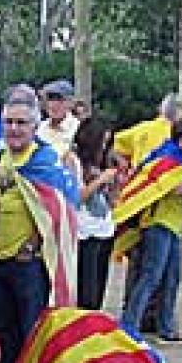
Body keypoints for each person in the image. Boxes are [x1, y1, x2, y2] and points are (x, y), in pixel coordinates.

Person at [0, 86, 79, 363]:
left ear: (34, 126)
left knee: (29, 330)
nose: (14, 129)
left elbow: (60, 208)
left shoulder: (43, 161)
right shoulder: (0, 157)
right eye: (9, 122)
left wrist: (33, 244)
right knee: (4, 329)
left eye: (21, 123)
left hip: (27, 263)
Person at [115, 116, 182, 343]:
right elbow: (168, 185)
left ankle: (165, 327)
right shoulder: (167, 156)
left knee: (171, 278)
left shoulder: (179, 158)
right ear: (180, 136)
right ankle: (129, 325)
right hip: (158, 223)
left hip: (172, 223)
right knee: (151, 277)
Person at [72, 117, 117, 311]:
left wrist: (113, 185)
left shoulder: (102, 162)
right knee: (86, 292)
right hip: (84, 230)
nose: (104, 148)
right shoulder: (73, 161)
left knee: (99, 289)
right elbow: (76, 196)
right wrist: (100, 180)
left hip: (104, 228)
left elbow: (112, 201)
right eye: (102, 143)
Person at [37, 80, 80, 155]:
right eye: (50, 99)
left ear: (70, 103)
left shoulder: (78, 128)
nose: (54, 104)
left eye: (60, 99)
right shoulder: (39, 128)